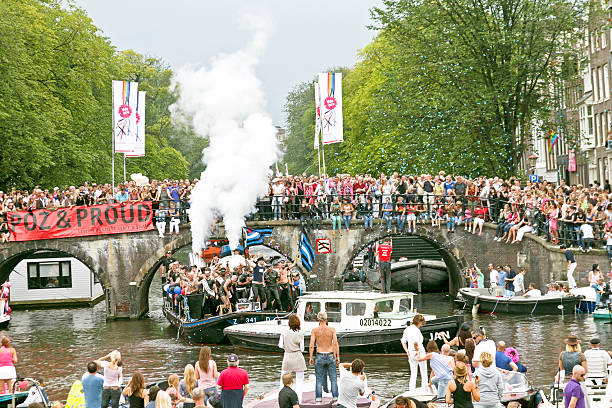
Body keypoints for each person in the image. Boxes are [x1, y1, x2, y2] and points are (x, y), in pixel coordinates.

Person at [308, 311, 339, 402]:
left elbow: (311, 345)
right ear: (326, 319)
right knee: (333, 379)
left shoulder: (314, 330)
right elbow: (335, 344)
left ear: (318, 319)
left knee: (319, 379)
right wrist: (337, 357)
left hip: (320, 355)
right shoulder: (332, 329)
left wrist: (311, 357)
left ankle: (318, 399)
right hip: (330, 355)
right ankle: (335, 398)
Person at [278, 314, 306, 402]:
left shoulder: (284, 332)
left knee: (283, 379)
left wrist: (288, 347)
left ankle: (282, 399)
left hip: (287, 356)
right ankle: (299, 400)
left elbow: (280, 345)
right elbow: (302, 349)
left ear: (289, 323)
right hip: (298, 357)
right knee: (299, 381)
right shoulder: (300, 333)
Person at [401, 314, 427, 390]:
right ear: (419, 322)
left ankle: (411, 389)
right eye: (421, 323)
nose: (422, 325)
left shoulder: (407, 329)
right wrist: (418, 351)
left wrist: (407, 351)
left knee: (413, 373)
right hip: (419, 351)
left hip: (411, 352)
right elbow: (416, 342)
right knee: (423, 371)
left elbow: (403, 341)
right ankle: (424, 389)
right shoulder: (416, 330)